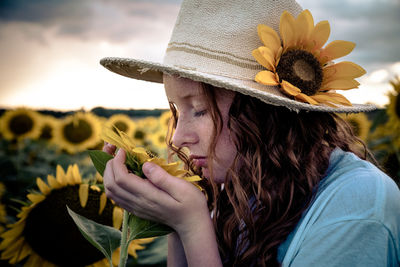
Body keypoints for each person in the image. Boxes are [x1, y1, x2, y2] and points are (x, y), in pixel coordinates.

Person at [101, 0, 400, 266]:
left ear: (265, 112)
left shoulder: (355, 208)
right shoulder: (249, 189)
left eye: (201, 109)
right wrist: (177, 225)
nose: (178, 138)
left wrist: (193, 226)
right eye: (177, 113)